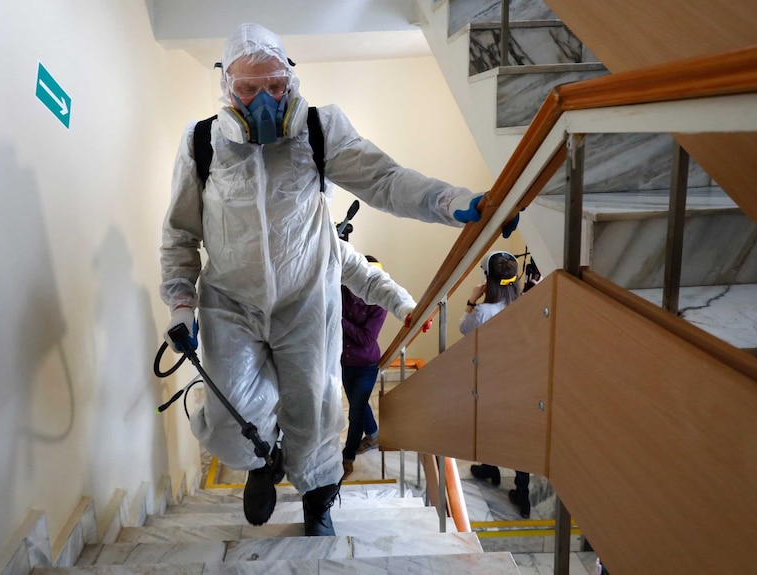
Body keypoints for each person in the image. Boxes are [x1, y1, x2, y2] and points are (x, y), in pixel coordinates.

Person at [158, 22, 515, 536]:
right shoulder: (202, 145)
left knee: (316, 411)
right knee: (232, 419)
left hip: (304, 303)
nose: (264, 102)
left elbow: (385, 180)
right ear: (225, 86)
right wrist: (181, 305)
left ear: (292, 80)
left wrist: (455, 202)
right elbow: (179, 234)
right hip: (230, 304)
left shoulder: (319, 132)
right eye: (248, 89)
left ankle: (317, 500)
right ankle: (261, 461)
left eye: (276, 87)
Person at [460, 251, 533, 518]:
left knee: (491, 426)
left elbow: (464, 328)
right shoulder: (526, 305)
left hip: (492, 381)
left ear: (487, 280)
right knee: (520, 434)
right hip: (523, 380)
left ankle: (490, 467)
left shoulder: (482, 311)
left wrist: (471, 299)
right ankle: (522, 492)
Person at [341, 256, 392, 479]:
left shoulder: (380, 304)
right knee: (358, 404)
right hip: (345, 362)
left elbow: (365, 339)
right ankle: (373, 435)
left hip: (366, 365)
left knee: (355, 413)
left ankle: (348, 457)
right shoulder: (343, 289)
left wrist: (338, 319)